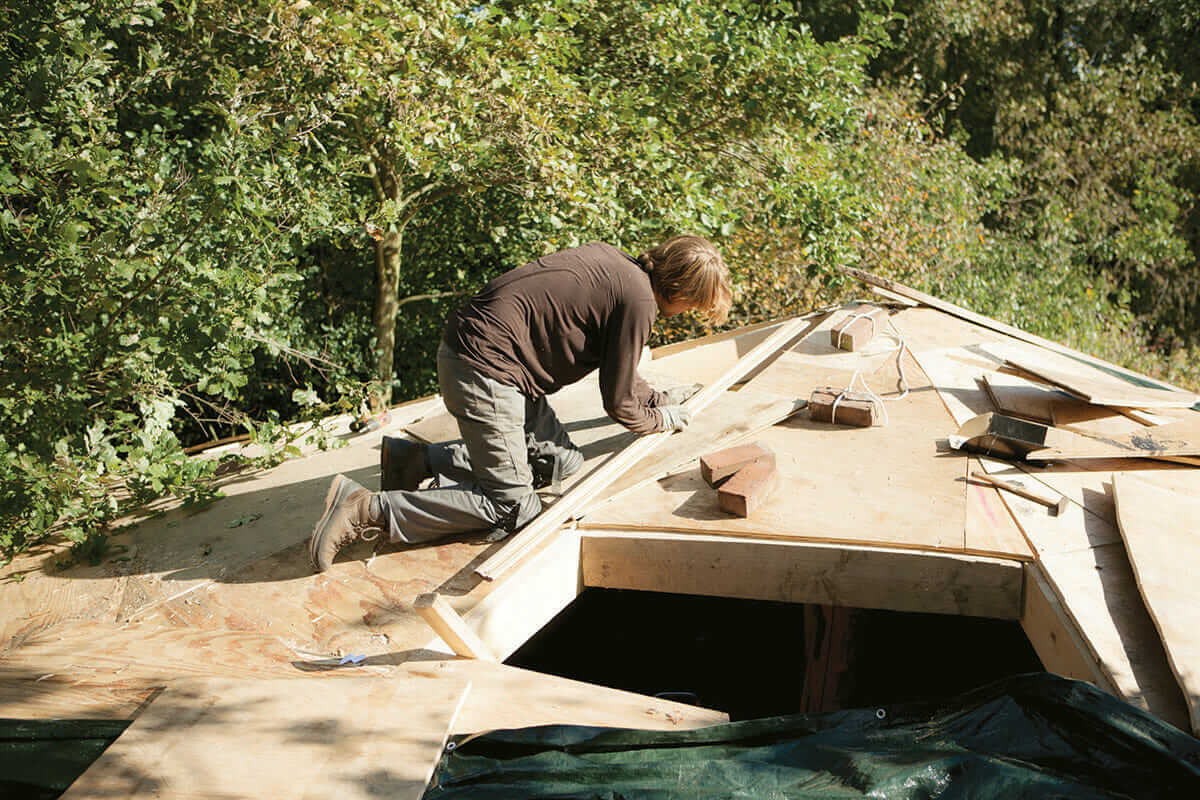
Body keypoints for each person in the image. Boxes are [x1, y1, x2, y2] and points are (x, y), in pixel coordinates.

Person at [309, 236, 732, 571]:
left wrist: (657, 399)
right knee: (513, 507)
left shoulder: (616, 265)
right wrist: (659, 419)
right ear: (678, 288)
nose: (688, 312)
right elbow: (619, 404)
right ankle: (365, 510)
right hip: (487, 372)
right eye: (693, 305)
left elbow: (619, 366)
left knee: (561, 463)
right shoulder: (640, 301)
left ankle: (416, 462)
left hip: (490, 360)